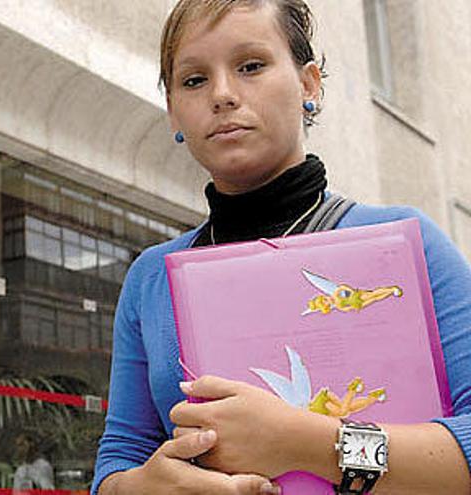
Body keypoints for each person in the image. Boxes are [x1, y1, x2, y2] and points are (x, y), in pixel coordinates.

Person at [92, 1, 471, 494]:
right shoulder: (151, 277)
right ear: (173, 113)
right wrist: (142, 486)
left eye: (250, 66)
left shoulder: (406, 244)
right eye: (193, 80)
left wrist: (307, 443)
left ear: (308, 84)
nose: (223, 94)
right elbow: (118, 458)